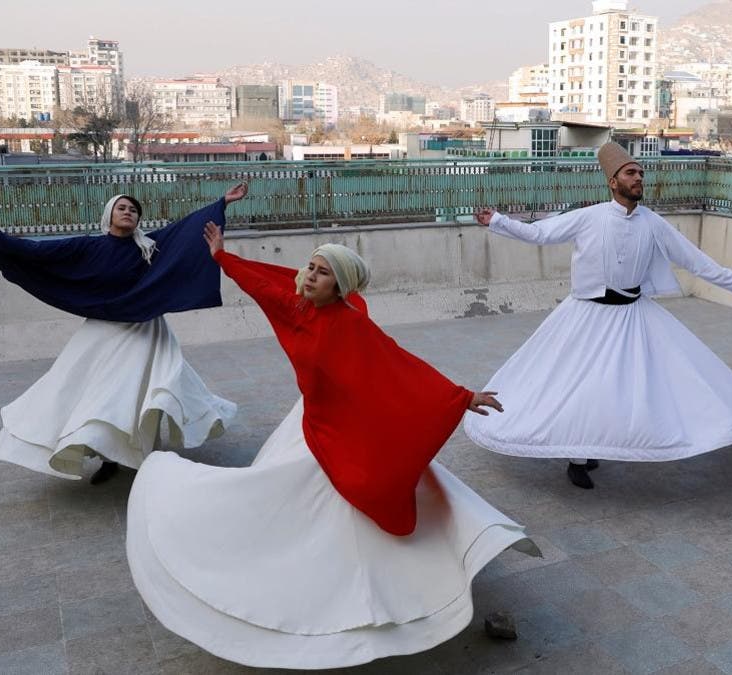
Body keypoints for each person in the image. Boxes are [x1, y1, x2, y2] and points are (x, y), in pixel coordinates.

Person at [125, 230, 538, 669]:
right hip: (311, 419)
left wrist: (460, 397)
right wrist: (223, 257)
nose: (310, 276)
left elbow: (397, 364)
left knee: (360, 495)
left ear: (340, 286)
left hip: (346, 423)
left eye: (323, 274)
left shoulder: (351, 321)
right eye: (311, 267)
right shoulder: (297, 301)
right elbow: (263, 284)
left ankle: (394, 585)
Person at [465, 142, 732, 489]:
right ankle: (577, 458)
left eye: (641, 172)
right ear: (613, 181)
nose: (639, 178)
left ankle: (603, 442)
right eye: (631, 173)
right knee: (579, 384)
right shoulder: (589, 217)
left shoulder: (653, 223)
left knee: (621, 387)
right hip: (586, 317)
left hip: (633, 317)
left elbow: (694, 260)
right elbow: (539, 234)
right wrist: (498, 221)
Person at [0, 184, 248, 484]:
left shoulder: (149, 247)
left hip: (145, 330)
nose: (128, 212)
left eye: (133, 210)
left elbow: (186, 230)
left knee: (146, 395)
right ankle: (109, 456)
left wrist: (222, 202)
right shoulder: (87, 247)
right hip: (105, 331)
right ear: (109, 214)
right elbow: (38, 251)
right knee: (101, 395)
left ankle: (144, 458)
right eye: (122, 208)